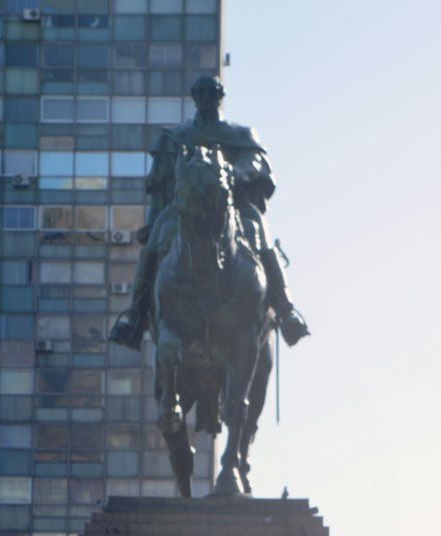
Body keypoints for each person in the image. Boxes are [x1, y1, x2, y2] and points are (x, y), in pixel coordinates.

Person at [109, 74, 310, 353]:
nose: (206, 98)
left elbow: (255, 163)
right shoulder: (175, 137)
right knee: (156, 242)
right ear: (195, 97)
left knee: (261, 238)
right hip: (183, 208)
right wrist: (153, 220)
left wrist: (233, 174)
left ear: (220, 96)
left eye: (211, 92)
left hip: (235, 207)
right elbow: (160, 182)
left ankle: (286, 312)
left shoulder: (240, 135)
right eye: (201, 93)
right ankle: (136, 313)